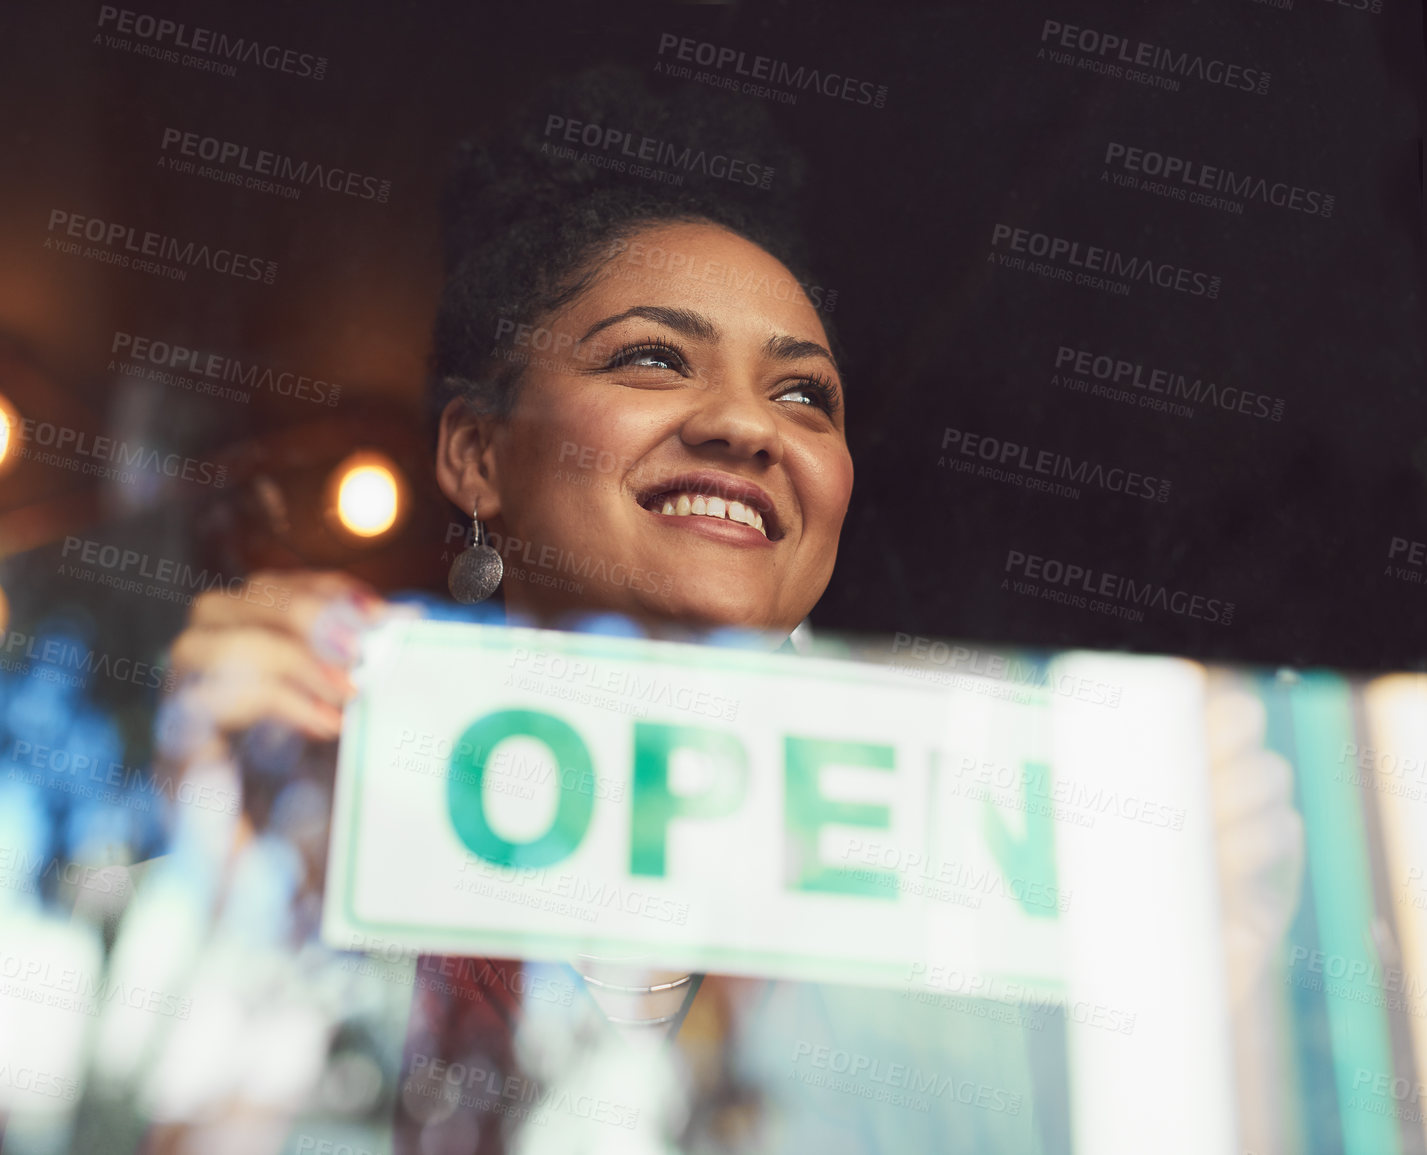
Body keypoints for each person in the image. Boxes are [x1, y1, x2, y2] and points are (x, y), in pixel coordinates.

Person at [164, 68, 1301, 1154]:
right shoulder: (332, 796)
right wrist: (219, 870)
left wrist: (1187, 1002)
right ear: (475, 453)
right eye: (655, 360)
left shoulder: (996, 847)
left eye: (804, 394)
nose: (748, 427)